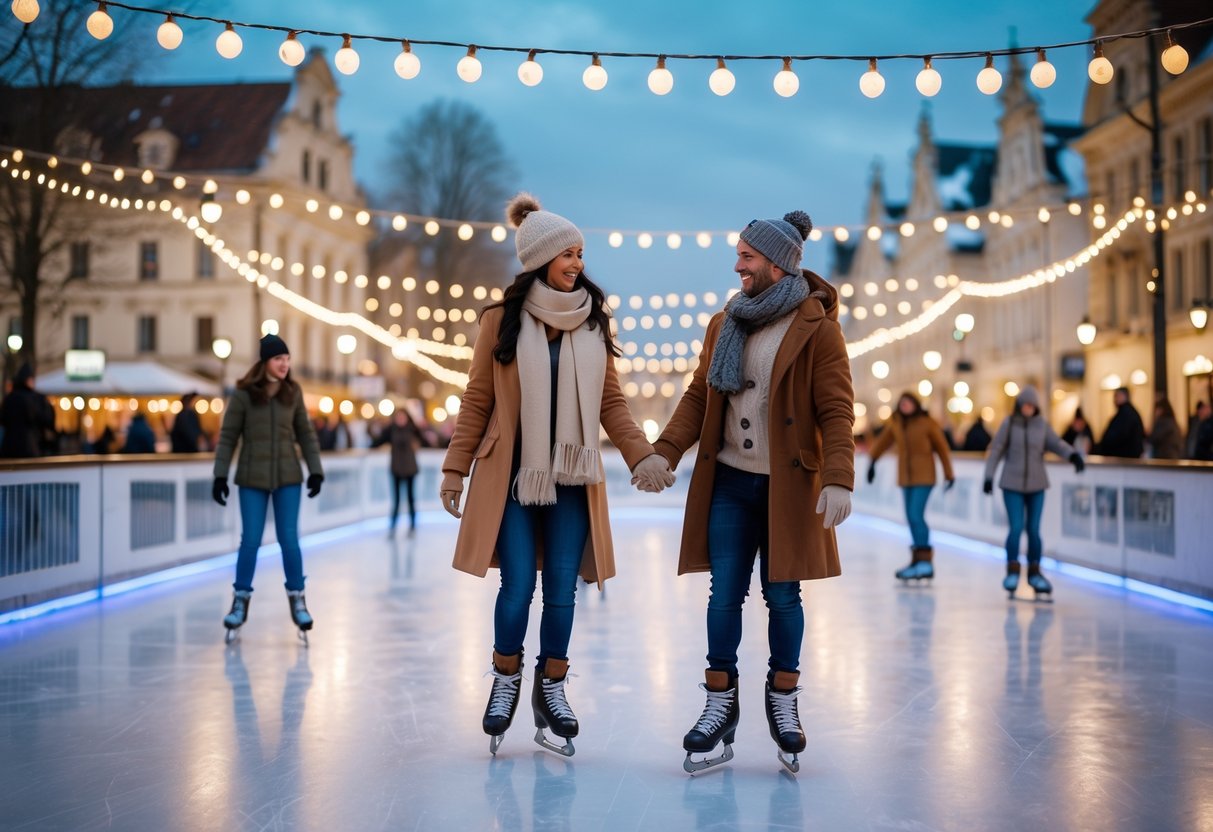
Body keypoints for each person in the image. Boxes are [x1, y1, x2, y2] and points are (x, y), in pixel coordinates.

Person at [439, 193, 674, 758]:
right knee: (518, 585)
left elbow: (610, 402)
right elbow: (476, 400)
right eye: (567, 253)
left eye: (580, 252)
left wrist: (641, 454)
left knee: (564, 590)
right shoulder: (500, 321)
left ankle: (552, 685)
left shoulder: (592, 321)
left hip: (571, 478)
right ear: (539, 258)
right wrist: (455, 468)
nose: (577, 263)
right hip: (515, 479)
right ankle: (505, 679)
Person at [651, 210, 854, 774]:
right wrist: (664, 451)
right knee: (723, 595)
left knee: (783, 596)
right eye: (738, 254)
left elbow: (837, 409)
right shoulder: (725, 324)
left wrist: (838, 475)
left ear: (777, 263)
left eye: (747, 256)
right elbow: (699, 398)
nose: (737, 264)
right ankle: (720, 701)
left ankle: (783, 698)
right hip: (731, 483)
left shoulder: (817, 327)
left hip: (787, 487)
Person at [212, 334, 325, 645]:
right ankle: (239, 602)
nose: (284, 364)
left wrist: (315, 470)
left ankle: (298, 601)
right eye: (279, 359)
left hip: (288, 475)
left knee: (289, 539)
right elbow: (228, 437)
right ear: (265, 363)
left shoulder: (293, 392)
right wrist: (220, 475)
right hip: (252, 477)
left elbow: (306, 433)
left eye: (287, 359)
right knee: (250, 540)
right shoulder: (244, 395)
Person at [982, 386, 1084, 599]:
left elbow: (1056, 444)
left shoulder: (1041, 426)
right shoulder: (1009, 424)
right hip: (1011, 484)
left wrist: (1073, 456)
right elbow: (997, 450)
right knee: (1016, 528)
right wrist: (989, 477)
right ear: (1019, 406)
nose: (1029, 408)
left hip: (1037, 484)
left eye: (1032, 405)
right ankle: (1012, 571)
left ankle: (1035, 574)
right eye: (1025, 405)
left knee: (1034, 530)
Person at [866, 392, 955, 582]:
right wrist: (872, 461)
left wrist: (949, 475)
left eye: (908, 403)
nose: (905, 406)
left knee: (916, 515)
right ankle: (918, 562)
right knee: (911, 518)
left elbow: (942, 449)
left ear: (915, 404)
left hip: (924, 477)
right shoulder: (897, 424)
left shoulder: (926, 423)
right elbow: (882, 443)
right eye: (902, 403)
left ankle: (925, 562)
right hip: (906, 478)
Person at [374, 406, 423, 535]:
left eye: (403, 416)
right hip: (396, 468)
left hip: (410, 468)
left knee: (410, 498)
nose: (400, 419)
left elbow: (425, 440)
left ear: (407, 418)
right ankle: (393, 526)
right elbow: (378, 441)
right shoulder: (391, 430)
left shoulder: (412, 429)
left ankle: (412, 525)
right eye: (398, 417)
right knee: (396, 500)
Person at [0, 362, 55, 458]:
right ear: (28, 380)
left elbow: (3, 419)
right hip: (32, 447)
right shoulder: (36, 398)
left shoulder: (10, 398)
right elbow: (48, 420)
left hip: (9, 447)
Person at [1093, 387, 1144, 458]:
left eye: (1117, 396)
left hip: (1124, 457)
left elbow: (1119, 435)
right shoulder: (1127, 412)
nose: (1114, 399)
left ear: (1124, 396)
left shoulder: (1126, 413)